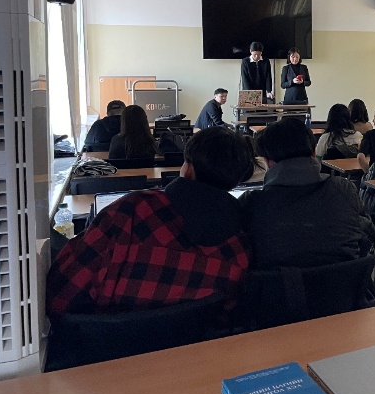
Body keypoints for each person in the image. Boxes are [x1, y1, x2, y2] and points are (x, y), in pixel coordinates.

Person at [47, 127, 258, 317]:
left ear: (188, 170)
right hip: (196, 346)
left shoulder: (129, 212)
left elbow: (60, 296)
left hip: (104, 344)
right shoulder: (241, 246)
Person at [240, 118, 373, 269]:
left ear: (268, 162)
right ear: (313, 153)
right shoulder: (343, 191)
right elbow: (367, 234)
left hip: (279, 284)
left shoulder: (250, 204)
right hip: (344, 283)